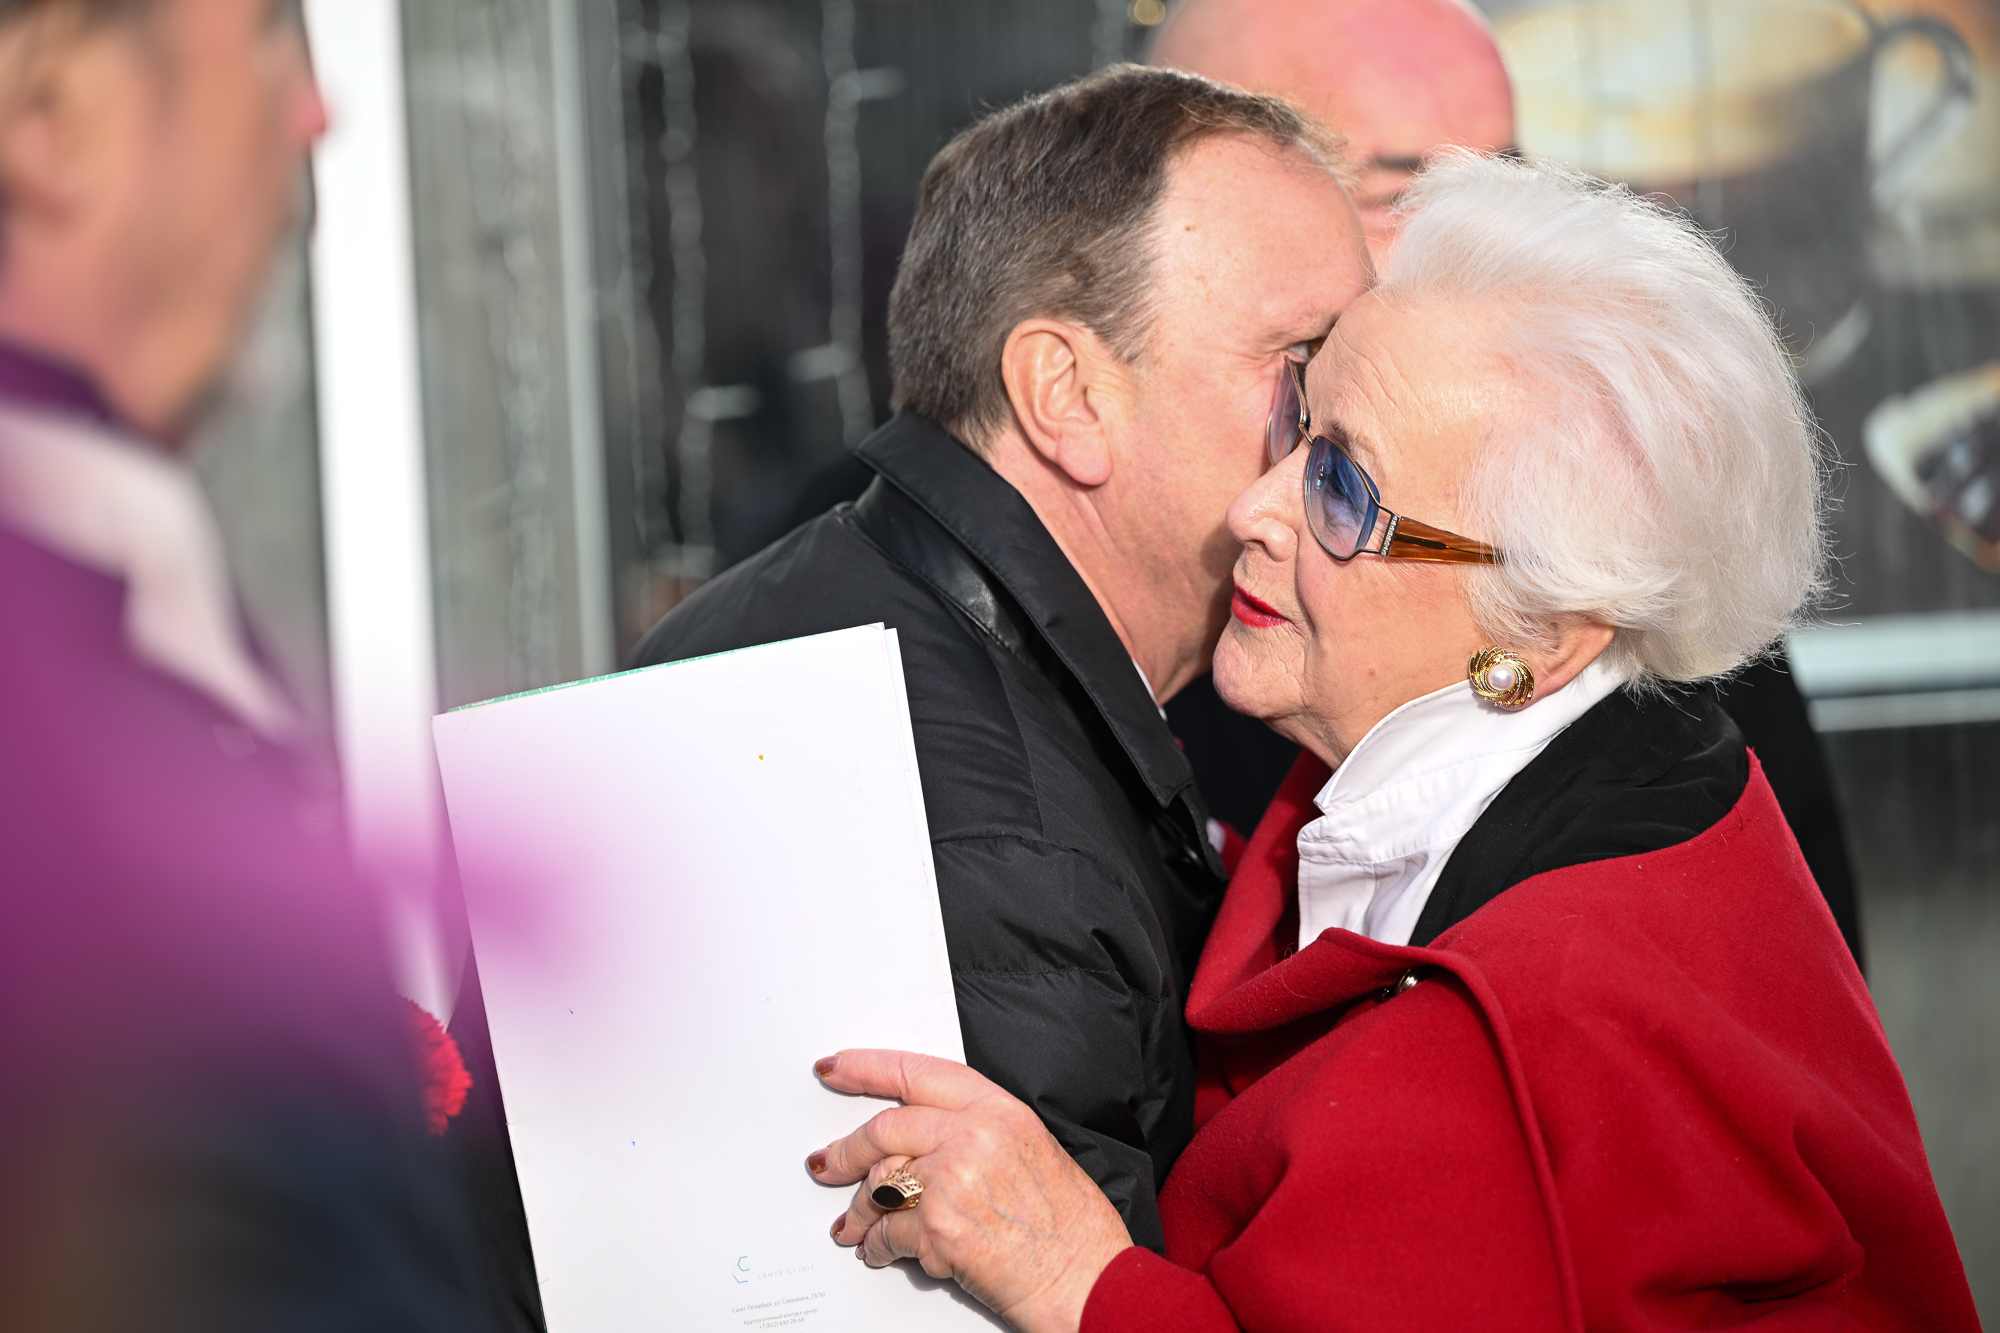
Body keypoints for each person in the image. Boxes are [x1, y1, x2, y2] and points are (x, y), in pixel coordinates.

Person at [803, 152, 1978, 1331]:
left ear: (1547, 623)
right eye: (1296, 426)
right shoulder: (1625, 771)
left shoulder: (1521, 1030)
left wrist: (1069, 1273)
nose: (1253, 509)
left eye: (1341, 489)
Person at [626, 66, 1372, 1248]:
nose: (1345, 432)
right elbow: (968, 1274)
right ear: (1064, 394)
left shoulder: (842, 608)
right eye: (1304, 365)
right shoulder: (990, 838)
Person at [0, 1, 491, 1327]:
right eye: (273, 33)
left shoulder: (126, 590)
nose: (319, 113)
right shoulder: (46, 705)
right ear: (50, 119)